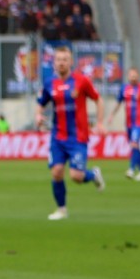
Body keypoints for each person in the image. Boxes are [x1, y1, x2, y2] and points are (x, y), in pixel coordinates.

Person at [36, 45, 105, 221]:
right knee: (56, 172)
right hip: (57, 136)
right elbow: (41, 102)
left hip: (78, 137)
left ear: (71, 62)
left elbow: (98, 99)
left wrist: (99, 122)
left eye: (65, 60)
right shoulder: (49, 83)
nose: (61, 63)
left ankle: (93, 174)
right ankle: (61, 209)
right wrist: (38, 115)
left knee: (76, 176)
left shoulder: (82, 81)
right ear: (54, 62)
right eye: (58, 60)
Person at [107, 67, 140, 181]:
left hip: (139, 122)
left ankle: (131, 169)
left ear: (138, 76)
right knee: (135, 147)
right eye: (131, 76)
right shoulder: (124, 89)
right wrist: (112, 115)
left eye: (135, 76)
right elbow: (118, 103)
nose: (133, 78)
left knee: (134, 143)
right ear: (128, 76)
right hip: (129, 123)